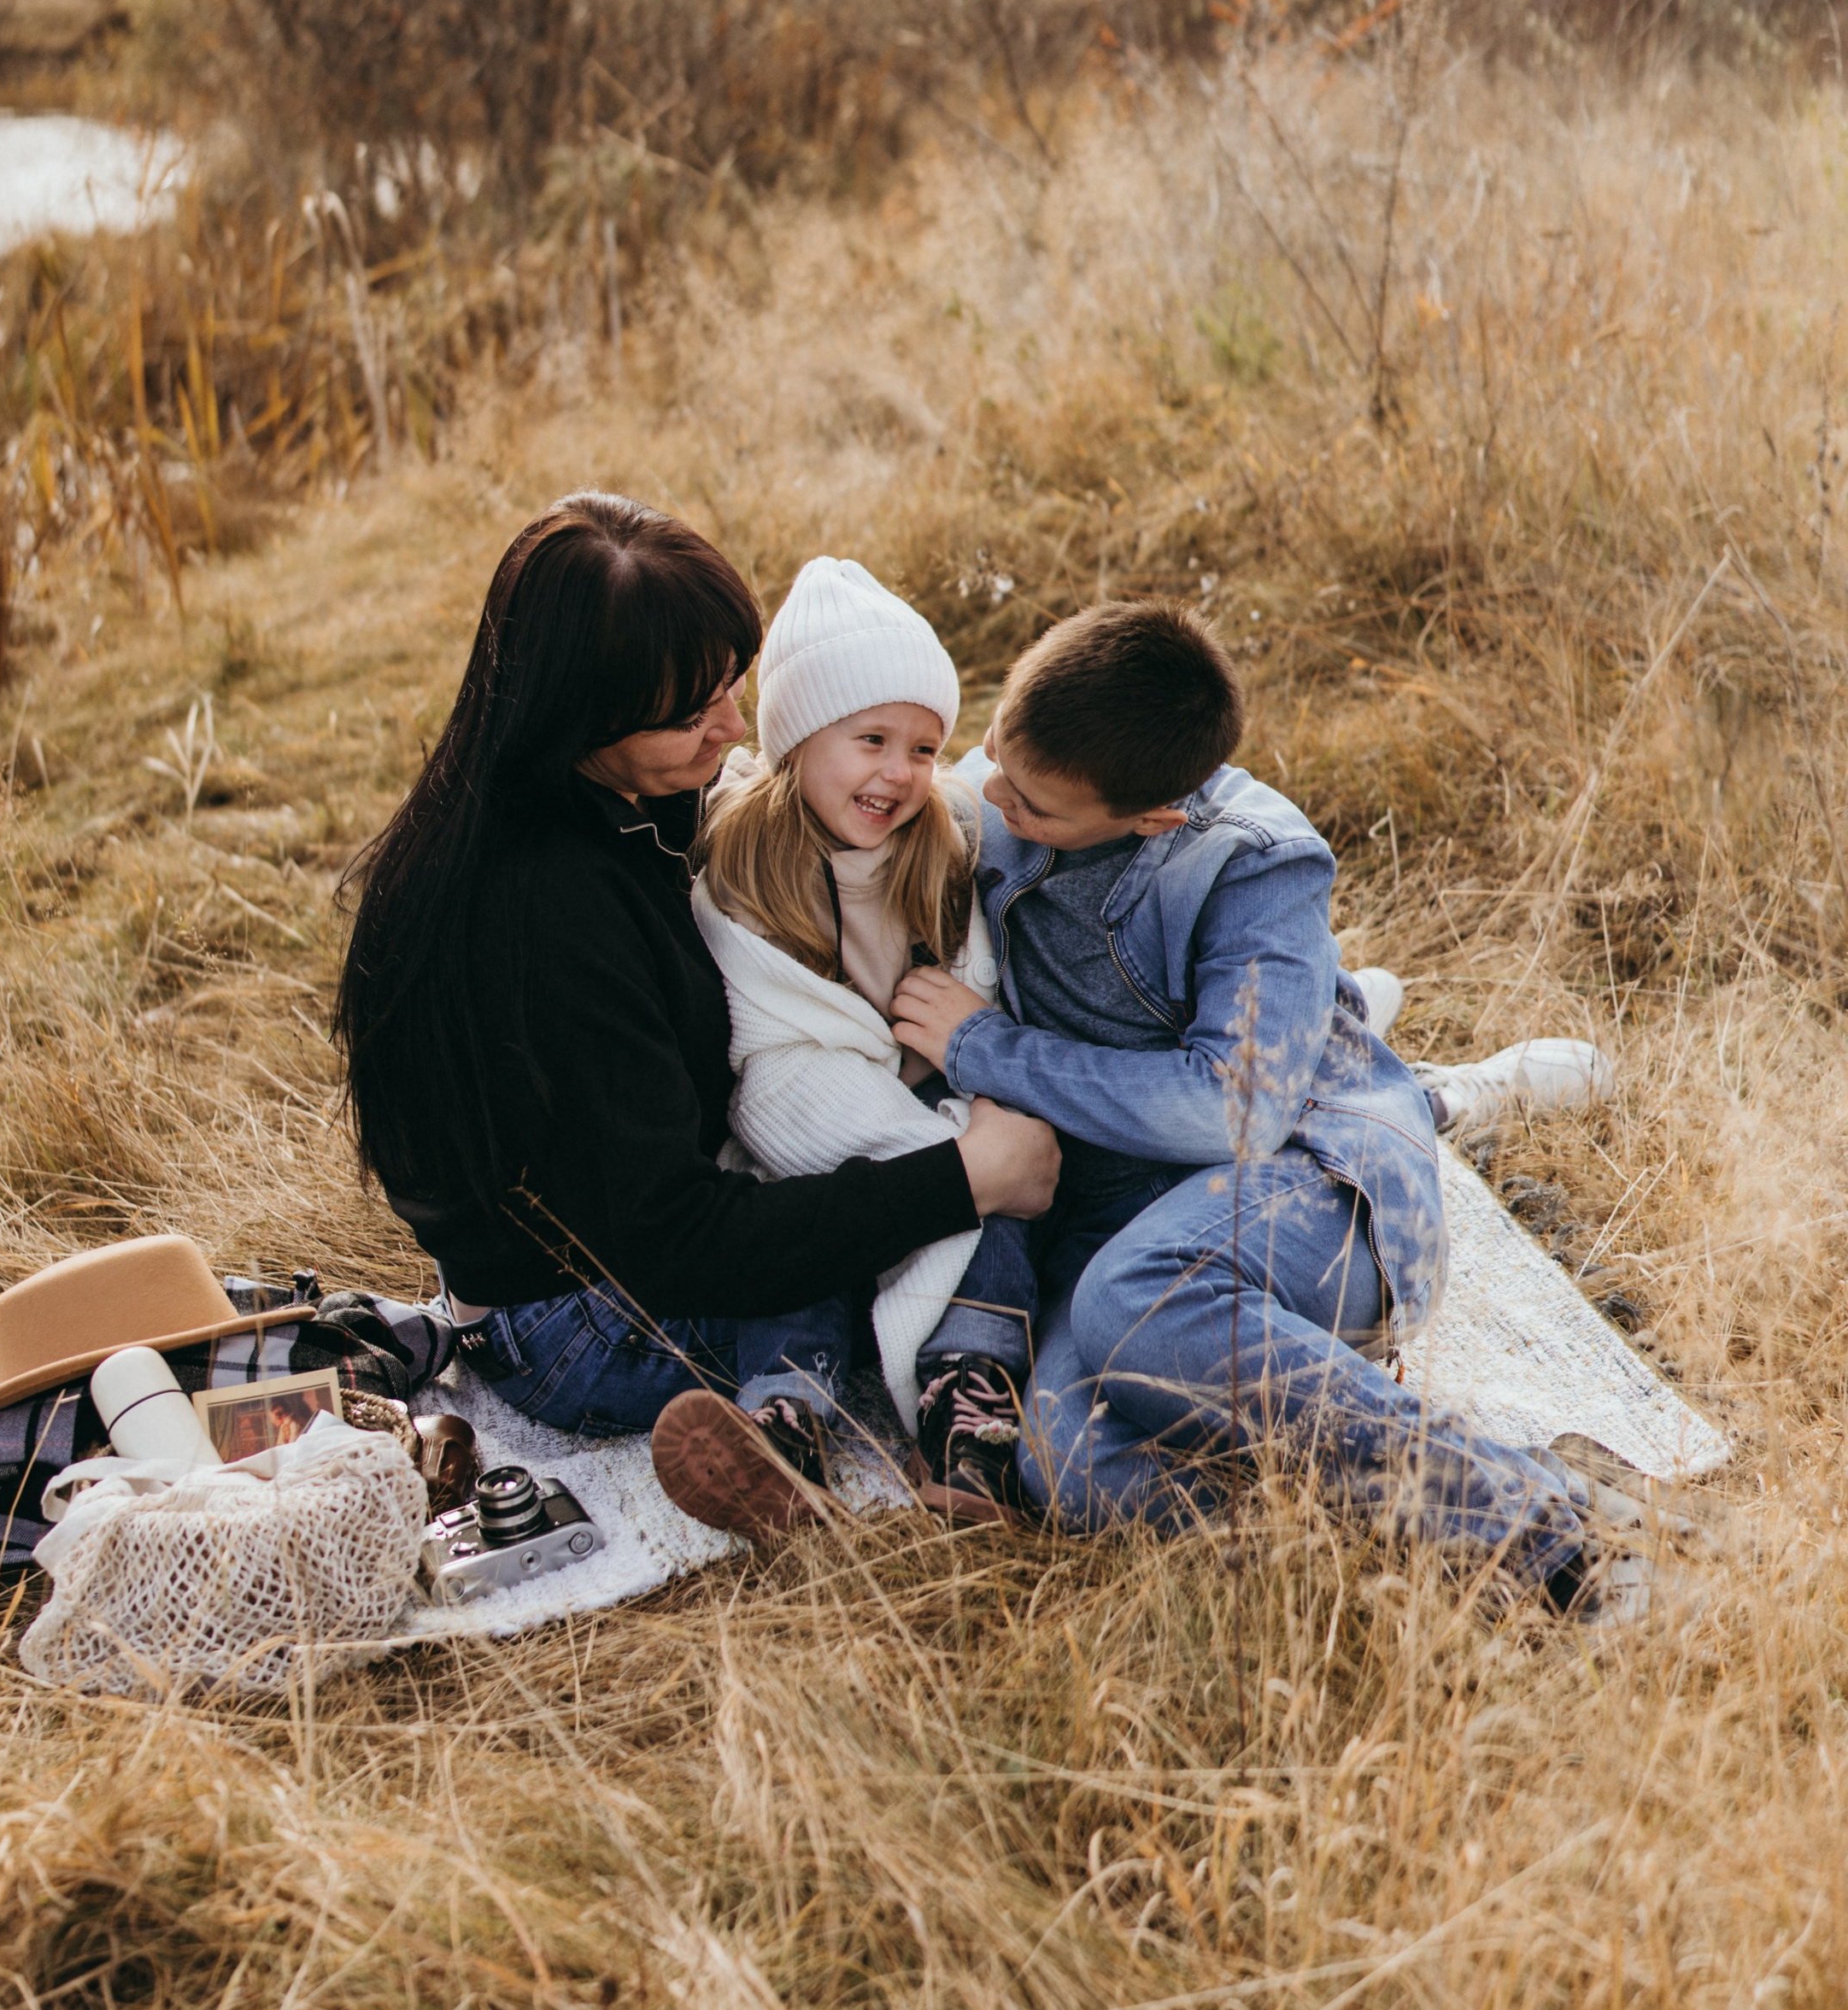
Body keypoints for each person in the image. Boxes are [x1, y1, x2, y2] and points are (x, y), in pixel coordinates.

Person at [332, 491, 1058, 1537]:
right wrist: (964, 1178)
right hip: (586, 1327)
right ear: (579, 714)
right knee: (973, 1229)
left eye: (731, 687)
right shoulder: (545, 916)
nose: (733, 729)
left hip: (585, 1261)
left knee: (913, 1187)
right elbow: (677, 1238)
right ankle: (829, 1436)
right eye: (691, 716)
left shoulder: (575, 795)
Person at [889, 599, 1607, 1603]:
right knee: (1067, 1471)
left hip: (1309, 1181)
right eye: (996, 752)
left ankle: (1536, 1525)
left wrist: (983, 1045)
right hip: (1120, 1216)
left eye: (1034, 806)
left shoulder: (1254, 861)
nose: (992, 796)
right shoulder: (1006, 780)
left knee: (1127, 1304)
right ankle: (1380, 1572)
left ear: (1153, 818)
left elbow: (1227, 1115)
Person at [689, 556, 1042, 1526]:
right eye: (871, 739)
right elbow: (768, 1050)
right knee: (796, 1233)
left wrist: (964, 1067)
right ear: (797, 742)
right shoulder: (737, 864)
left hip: (930, 1099)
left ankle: (967, 1419)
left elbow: (983, 986)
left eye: (923, 748)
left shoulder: (944, 842)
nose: (899, 772)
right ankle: (780, 1427)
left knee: (995, 1212)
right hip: (807, 1126)